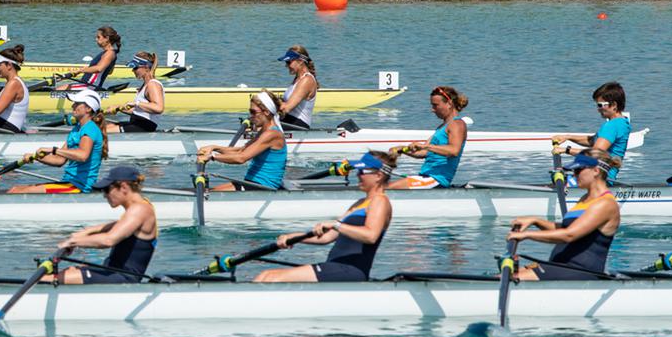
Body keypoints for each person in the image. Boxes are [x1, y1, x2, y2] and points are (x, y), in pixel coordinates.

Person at [255, 152, 397, 283]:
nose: (358, 175)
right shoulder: (360, 203)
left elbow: (371, 235)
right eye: (357, 171)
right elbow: (325, 238)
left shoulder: (380, 201)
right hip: (335, 267)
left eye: (362, 171)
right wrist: (292, 237)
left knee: (270, 277)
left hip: (350, 271)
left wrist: (337, 225)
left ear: (378, 175)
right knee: (265, 275)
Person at [508, 153, 621, 280]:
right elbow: (564, 228)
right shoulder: (585, 199)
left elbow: (569, 235)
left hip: (581, 271)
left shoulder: (605, 204)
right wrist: (535, 221)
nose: (574, 175)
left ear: (595, 171)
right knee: (503, 275)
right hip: (560, 266)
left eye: (578, 170)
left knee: (506, 278)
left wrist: (526, 235)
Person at [41, 165, 157, 284]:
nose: (104, 195)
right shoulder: (140, 207)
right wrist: (86, 232)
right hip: (113, 272)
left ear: (124, 187)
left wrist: (73, 242)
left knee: (47, 279)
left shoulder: (139, 209)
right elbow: (116, 225)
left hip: (124, 278)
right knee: (70, 270)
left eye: (107, 190)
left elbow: (108, 240)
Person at [8, 89, 106, 193]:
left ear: (88, 109)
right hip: (69, 182)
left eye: (77, 103)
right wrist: (36, 157)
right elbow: (60, 160)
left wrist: (54, 150)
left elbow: (83, 156)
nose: (73, 106)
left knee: (16, 192)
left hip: (80, 186)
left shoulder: (90, 129)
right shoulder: (76, 129)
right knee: (16, 189)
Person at [195, 91, 287, 191]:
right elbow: (241, 150)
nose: (250, 116)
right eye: (250, 111)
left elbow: (241, 158)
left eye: (253, 112)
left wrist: (211, 157)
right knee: (210, 191)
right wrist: (213, 147)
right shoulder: (265, 131)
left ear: (267, 112)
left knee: (208, 194)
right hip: (252, 183)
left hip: (263, 187)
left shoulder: (272, 134)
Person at [388, 86, 469, 189]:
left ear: (449, 104)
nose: (432, 110)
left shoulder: (457, 124)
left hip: (437, 180)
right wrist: (401, 149)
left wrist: (425, 146)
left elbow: (454, 150)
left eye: (435, 105)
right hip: (427, 178)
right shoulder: (441, 127)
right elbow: (424, 153)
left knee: (387, 187)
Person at [553, 81, 630, 179]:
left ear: (614, 105)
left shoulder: (612, 126)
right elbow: (592, 141)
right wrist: (568, 137)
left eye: (600, 105)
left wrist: (566, 150)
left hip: (599, 179)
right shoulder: (622, 122)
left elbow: (594, 154)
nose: (598, 109)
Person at [109, 52, 165, 133]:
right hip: (136, 124)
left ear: (146, 67)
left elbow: (159, 108)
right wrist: (118, 108)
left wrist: (136, 103)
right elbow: (140, 111)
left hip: (144, 127)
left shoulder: (153, 84)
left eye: (135, 67)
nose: (132, 70)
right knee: (104, 125)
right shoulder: (144, 85)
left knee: (104, 131)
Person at [277, 45, 318, 129]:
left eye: (288, 62)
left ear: (300, 61)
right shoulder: (297, 79)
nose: (286, 66)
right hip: (289, 121)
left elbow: (286, 109)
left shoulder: (307, 80)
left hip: (299, 125)